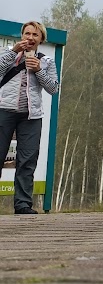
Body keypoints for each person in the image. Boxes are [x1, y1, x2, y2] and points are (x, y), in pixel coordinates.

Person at [0, 22, 60, 215]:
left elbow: (53, 89)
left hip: (31, 115)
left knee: (27, 160)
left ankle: (23, 204)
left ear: (41, 39)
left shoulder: (47, 61)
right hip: (4, 110)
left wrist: (39, 70)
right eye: (27, 33)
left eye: (35, 34)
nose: (30, 37)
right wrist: (12, 53)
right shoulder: (6, 54)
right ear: (21, 35)